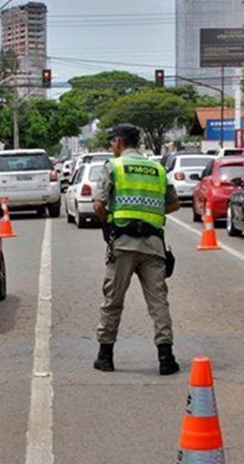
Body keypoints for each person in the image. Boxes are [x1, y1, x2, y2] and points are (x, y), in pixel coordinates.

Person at [92, 123, 181, 375]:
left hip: (122, 243)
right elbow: (173, 205)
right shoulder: (157, 168)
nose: (111, 146)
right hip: (153, 245)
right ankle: (166, 358)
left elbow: (99, 205)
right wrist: (148, 214)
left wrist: (110, 221)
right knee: (158, 302)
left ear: (119, 142)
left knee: (113, 300)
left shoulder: (114, 166)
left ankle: (105, 356)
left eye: (112, 142)